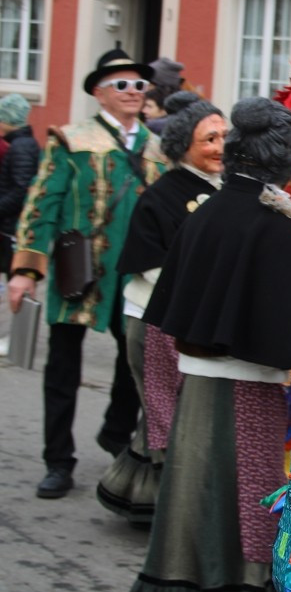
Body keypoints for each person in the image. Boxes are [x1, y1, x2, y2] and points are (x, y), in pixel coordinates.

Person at [114, 97, 291, 592]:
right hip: (247, 390)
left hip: (198, 381)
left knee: (191, 501)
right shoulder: (272, 224)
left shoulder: (210, 208)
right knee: (246, 506)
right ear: (284, 161)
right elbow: (289, 314)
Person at [8, 48, 166, 500]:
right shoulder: (71, 140)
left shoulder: (157, 149)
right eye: (122, 84)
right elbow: (42, 206)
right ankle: (58, 460)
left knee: (134, 361)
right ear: (100, 93)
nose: (134, 92)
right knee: (62, 367)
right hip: (77, 271)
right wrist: (25, 270)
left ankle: (115, 431)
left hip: (136, 276)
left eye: (139, 84)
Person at [96, 99, 226, 526]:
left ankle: (135, 493)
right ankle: (164, 510)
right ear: (182, 144)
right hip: (155, 319)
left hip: (192, 320)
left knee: (171, 414)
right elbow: (149, 264)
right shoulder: (162, 194)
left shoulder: (223, 189)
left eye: (224, 136)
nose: (220, 146)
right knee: (166, 414)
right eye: (209, 139)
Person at [0, 94, 40, 356]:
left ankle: (17, 338)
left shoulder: (21, 146)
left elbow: (21, 188)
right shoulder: (21, 143)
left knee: (18, 280)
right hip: (11, 224)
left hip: (13, 226)